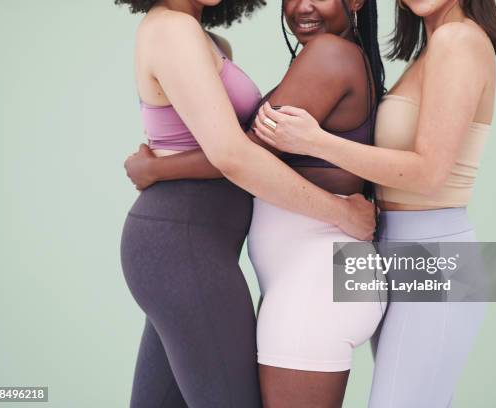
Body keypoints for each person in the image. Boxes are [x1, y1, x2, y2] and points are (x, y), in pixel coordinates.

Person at [123, 1, 387, 406]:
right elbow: (237, 151)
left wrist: (157, 169)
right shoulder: (174, 30)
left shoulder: (327, 54)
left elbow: (239, 150)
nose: (303, 4)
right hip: (186, 244)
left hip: (296, 274)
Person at [254, 0, 496, 406]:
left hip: (433, 257)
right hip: (398, 249)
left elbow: (430, 173)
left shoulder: (459, 39)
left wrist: (315, 141)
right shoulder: (433, 46)